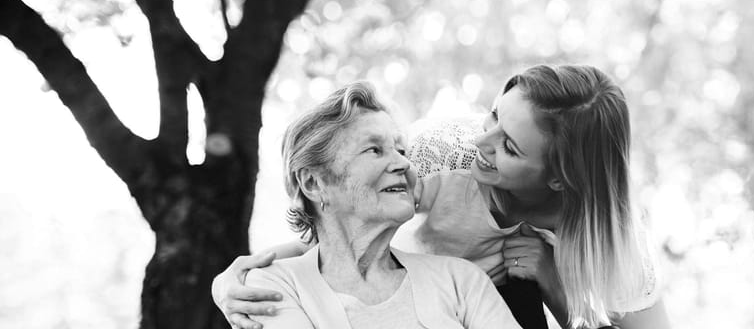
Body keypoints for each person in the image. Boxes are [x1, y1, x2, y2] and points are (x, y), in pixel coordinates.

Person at [213, 65, 668, 329]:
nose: (481, 141)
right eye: (492, 116)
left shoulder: (612, 239)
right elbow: (346, 224)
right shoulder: (444, 151)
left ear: (560, 179)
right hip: (394, 300)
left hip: (485, 311)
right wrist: (244, 272)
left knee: (519, 291)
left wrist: (554, 283)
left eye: (509, 146)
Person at [238, 81, 522, 328]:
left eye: (400, 150)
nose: (403, 163)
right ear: (314, 183)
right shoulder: (274, 285)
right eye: (374, 150)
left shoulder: (461, 278)